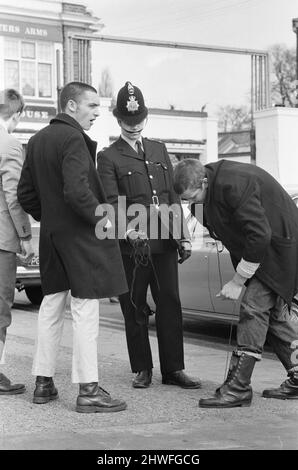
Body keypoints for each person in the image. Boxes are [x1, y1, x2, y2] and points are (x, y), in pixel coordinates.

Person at [17, 81, 128, 413]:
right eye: (92, 105)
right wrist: (104, 220)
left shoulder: (36, 140)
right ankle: (89, 390)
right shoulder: (73, 138)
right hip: (80, 238)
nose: (97, 112)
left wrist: (50, 216)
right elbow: (78, 193)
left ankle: (43, 383)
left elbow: (25, 195)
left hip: (52, 236)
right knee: (85, 311)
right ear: (70, 106)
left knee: (51, 308)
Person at [97, 81, 201, 390]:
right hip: (134, 245)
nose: (134, 126)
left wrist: (182, 236)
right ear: (118, 120)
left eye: (139, 120)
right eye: (128, 122)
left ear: (146, 117)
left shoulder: (158, 149)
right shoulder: (109, 157)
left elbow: (169, 194)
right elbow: (110, 202)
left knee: (170, 301)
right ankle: (142, 368)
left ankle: (174, 369)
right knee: (135, 305)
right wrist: (128, 231)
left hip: (164, 239)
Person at [173, 158, 298, 408]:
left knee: (253, 309)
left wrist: (239, 280)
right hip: (263, 250)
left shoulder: (234, 184)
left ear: (204, 182)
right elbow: (231, 234)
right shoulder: (206, 193)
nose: (191, 203)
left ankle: (239, 387)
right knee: (271, 316)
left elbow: (259, 233)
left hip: (279, 248)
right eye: (185, 200)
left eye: (193, 196)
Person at [0, 88, 34, 395]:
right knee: (0, 308)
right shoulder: (9, 144)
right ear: (17, 114)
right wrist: (25, 235)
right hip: (1, 241)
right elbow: (13, 196)